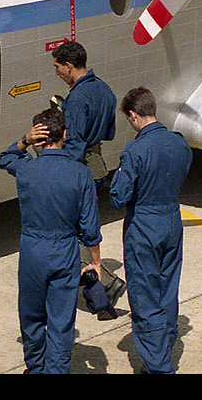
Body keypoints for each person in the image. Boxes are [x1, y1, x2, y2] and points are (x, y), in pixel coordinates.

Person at [0, 106, 104, 374]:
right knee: (61, 321)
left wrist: (24, 140)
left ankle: (35, 368)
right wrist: (95, 263)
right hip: (65, 249)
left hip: (33, 249)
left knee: (32, 317)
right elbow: (90, 226)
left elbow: (5, 158)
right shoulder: (81, 174)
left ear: (39, 138)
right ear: (65, 135)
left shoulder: (26, 169)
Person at [108, 87, 192, 375]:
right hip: (172, 220)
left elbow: (118, 197)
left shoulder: (135, 150)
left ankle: (159, 368)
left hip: (144, 226)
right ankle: (163, 348)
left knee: (145, 298)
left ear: (133, 115)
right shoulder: (179, 144)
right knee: (168, 291)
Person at [51, 40, 125, 318]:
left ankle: (108, 284)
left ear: (69, 66)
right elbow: (108, 132)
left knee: (68, 233)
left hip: (80, 167)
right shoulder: (104, 89)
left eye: (58, 67)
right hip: (98, 164)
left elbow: (75, 144)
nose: (56, 72)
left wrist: (58, 168)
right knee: (83, 227)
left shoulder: (78, 98)